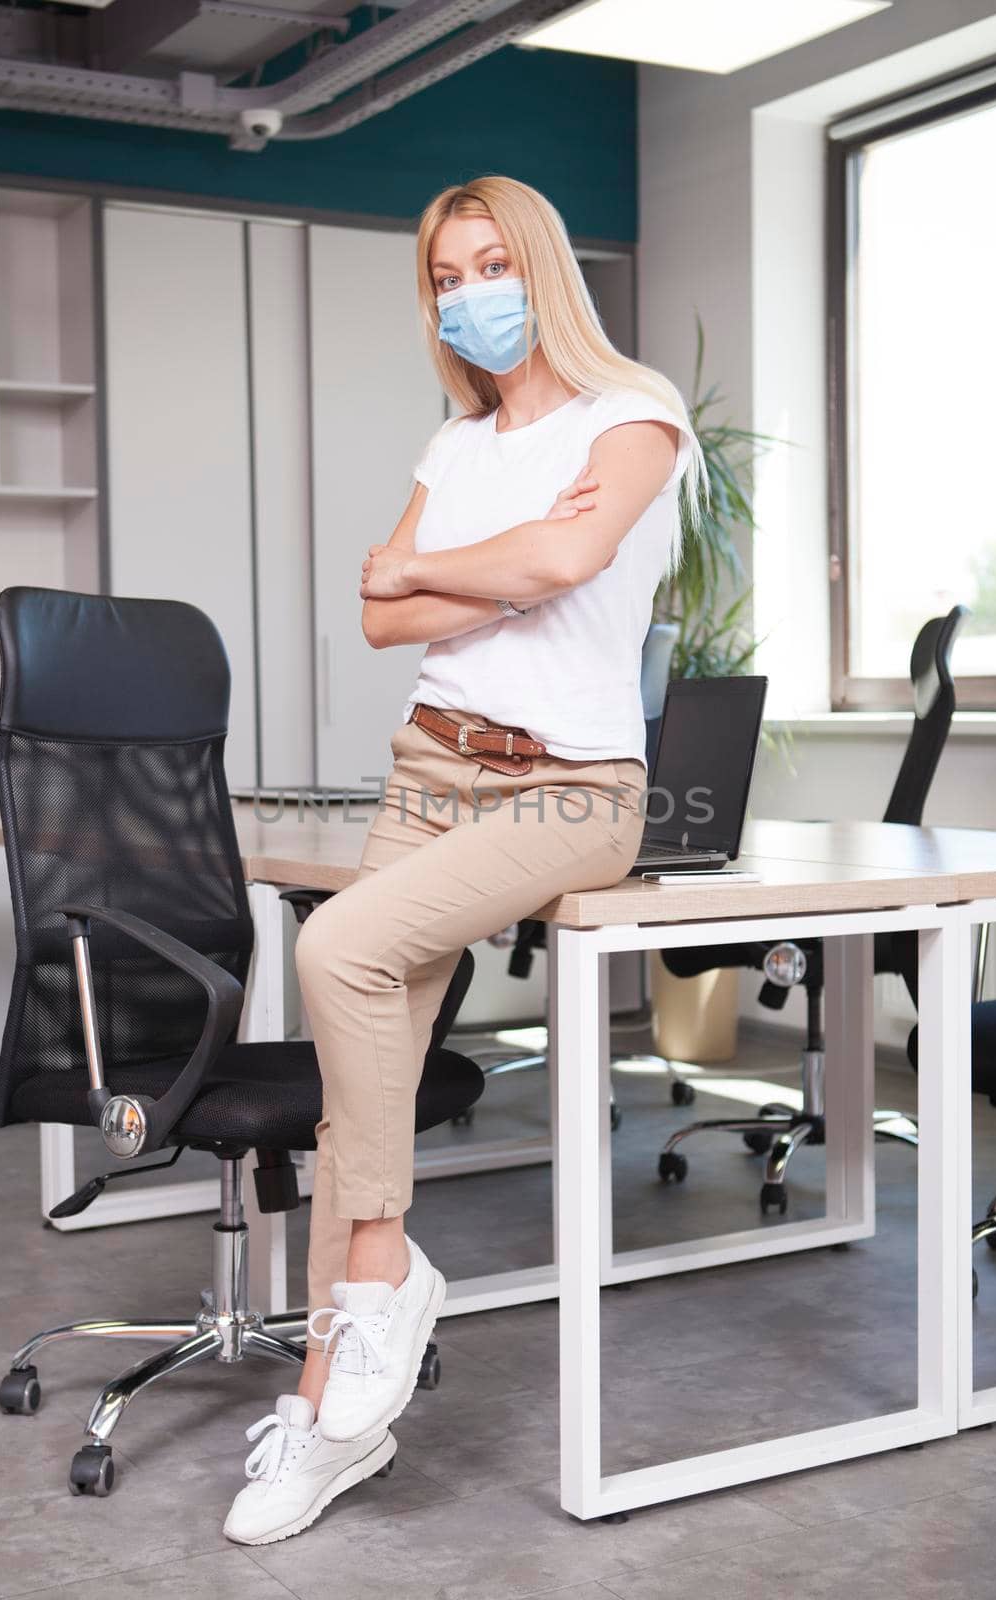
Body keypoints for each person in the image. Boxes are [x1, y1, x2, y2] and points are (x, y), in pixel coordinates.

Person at [223, 174, 706, 1545]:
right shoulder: (460, 440)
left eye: (491, 263)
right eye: (445, 276)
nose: (469, 292)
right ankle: (325, 1421)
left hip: (575, 790)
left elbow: (564, 554)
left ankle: (382, 1282)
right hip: (431, 765)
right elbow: (385, 619)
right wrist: (471, 571)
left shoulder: (638, 413)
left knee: (338, 945)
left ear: (543, 267)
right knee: (351, 1100)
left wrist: (441, 569)